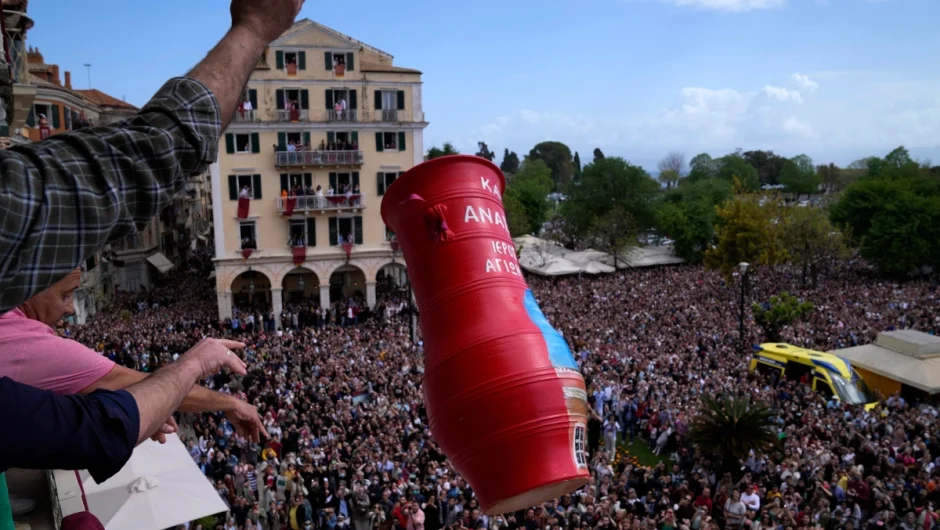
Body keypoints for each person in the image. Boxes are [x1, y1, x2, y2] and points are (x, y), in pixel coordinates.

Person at [0, 0, 304, 480]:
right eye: (65, 294)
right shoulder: (16, 332)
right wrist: (254, 28)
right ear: (33, 274)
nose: (69, 311)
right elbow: (152, 152)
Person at [0, 269, 266, 440]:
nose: (70, 309)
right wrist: (230, 402)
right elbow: (145, 384)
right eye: (65, 296)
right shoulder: (33, 345)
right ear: (28, 291)